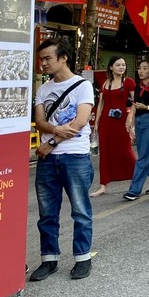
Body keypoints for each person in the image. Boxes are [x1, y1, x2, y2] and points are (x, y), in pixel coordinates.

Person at [31, 38, 95, 281]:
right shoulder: (44, 89)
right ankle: (49, 259)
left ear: (63, 57)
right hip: (48, 160)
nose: (43, 63)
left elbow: (79, 123)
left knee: (80, 209)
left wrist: (51, 142)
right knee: (47, 212)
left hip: (75, 156)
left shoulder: (82, 86)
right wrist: (57, 130)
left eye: (48, 58)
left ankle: (82, 257)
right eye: (41, 59)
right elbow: (39, 122)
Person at [91, 56, 136, 197]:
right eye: (118, 65)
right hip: (106, 121)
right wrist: (96, 123)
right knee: (105, 153)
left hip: (122, 121)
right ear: (111, 67)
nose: (122, 67)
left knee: (125, 151)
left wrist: (131, 119)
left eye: (123, 65)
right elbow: (101, 104)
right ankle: (103, 185)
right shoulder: (106, 83)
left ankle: (138, 177)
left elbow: (135, 102)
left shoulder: (129, 82)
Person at [124, 58, 149, 200]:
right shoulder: (138, 87)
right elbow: (134, 105)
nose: (141, 71)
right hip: (139, 120)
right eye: (140, 68)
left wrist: (147, 107)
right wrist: (130, 119)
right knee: (146, 155)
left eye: (145, 68)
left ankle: (134, 190)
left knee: (143, 157)